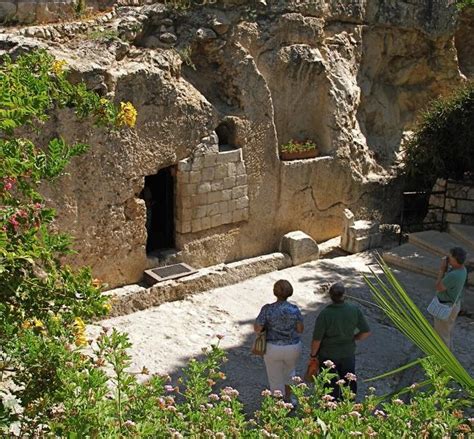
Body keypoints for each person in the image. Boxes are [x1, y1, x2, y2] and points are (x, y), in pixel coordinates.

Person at [309, 282, 371, 400]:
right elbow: (366, 332)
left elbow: (317, 339)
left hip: (328, 354)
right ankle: (348, 405)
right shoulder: (354, 310)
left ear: (330, 296)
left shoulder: (325, 314)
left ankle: (330, 407)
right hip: (347, 352)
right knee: (349, 382)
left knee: (329, 383)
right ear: (344, 295)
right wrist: (354, 338)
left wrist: (313, 355)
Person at [254, 280, 304, 401]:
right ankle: (289, 399)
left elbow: (258, 328)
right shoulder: (294, 309)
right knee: (290, 373)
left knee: (275, 377)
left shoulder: (267, 309)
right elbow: (300, 329)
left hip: (273, 347)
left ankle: (278, 404)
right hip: (293, 347)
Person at [433, 247, 467, 349]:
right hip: (454, 304)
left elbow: (438, 287)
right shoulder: (462, 269)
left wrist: (442, 269)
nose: (447, 257)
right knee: (447, 332)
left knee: (441, 336)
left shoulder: (454, 275)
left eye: (450, 257)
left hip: (446, 307)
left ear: (455, 260)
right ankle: (448, 352)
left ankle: (442, 360)